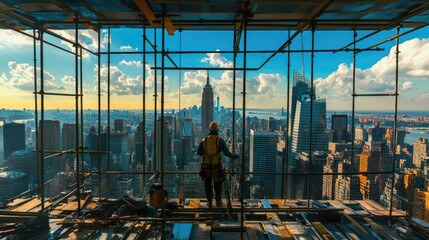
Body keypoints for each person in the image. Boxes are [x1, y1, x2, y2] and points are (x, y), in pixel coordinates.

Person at [197, 121, 238, 208]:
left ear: (209, 130)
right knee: (217, 185)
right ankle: (218, 202)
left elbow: (198, 151)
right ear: (217, 130)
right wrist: (234, 157)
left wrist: (205, 155)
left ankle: (209, 202)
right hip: (216, 166)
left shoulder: (204, 141)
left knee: (207, 185)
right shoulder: (220, 141)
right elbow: (226, 153)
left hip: (207, 166)